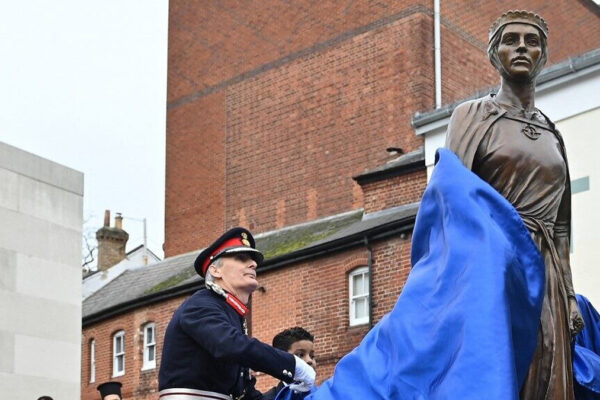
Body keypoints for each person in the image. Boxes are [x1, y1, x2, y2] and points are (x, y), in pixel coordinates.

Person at [445, 10, 584, 399]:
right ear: (494, 55)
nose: (522, 47)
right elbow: (451, 202)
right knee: (503, 370)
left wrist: (570, 296)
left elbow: (559, 229)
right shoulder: (471, 116)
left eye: (532, 40)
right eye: (511, 40)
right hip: (496, 263)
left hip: (548, 277)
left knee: (550, 372)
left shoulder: (553, 133)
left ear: (543, 55)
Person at [158, 227, 315, 400]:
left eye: (253, 260)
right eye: (241, 258)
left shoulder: (231, 314)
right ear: (215, 271)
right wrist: (292, 365)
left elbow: (247, 396)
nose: (254, 264)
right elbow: (231, 345)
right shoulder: (200, 304)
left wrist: (288, 391)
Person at [263, 327, 316, 400]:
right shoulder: (268, 398)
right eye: (300, 355)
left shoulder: (323, 395)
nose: (310, 360)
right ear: (282, 360)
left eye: (312, 356)